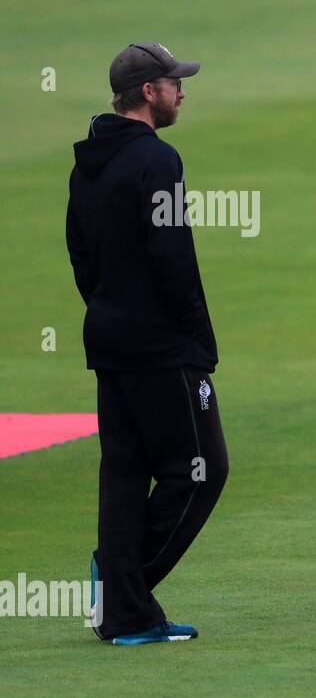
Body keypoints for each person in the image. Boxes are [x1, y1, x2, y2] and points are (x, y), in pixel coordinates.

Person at [66, 42, 228, 645]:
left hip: (109, 338)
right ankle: (121, 587)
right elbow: (173, 257)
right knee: (202, 468)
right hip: (160, 346)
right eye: (173, 83)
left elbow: (79, 253)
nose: (181, 91)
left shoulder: (89, 160)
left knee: (127, 471)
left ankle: (124, 613)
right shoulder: (157, 160)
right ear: (148, 93)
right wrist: (197, 339)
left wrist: (110, 307)